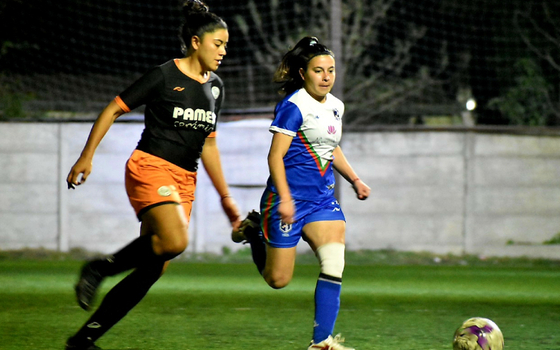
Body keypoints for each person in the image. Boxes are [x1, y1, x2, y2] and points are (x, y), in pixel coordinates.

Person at [64, 1, 240, 349]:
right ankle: (101, 267)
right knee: (175, 242)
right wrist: (87, 157)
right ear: (195, 41)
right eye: (217, 44)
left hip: (184, 180)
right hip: (150, 166)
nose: (222, 51)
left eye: (225, 46)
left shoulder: (216, 87)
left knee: (152, 268)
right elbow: (114, 108)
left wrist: (225, 197)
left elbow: (209, 145)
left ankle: (83, 340)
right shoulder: (164, 75)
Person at [233, 36, 370, 350]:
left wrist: (354, 180)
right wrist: (285, 198)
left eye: (331, 70)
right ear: (302, 73)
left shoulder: (336, 106)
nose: (326, 76)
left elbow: (329, 150)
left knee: (334, 261)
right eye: (319, 70)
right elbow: (275, 157)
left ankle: (322, 342)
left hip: (322, 200)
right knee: (278, 280)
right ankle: (254, 232)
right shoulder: (293, 106)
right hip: (285, 201)